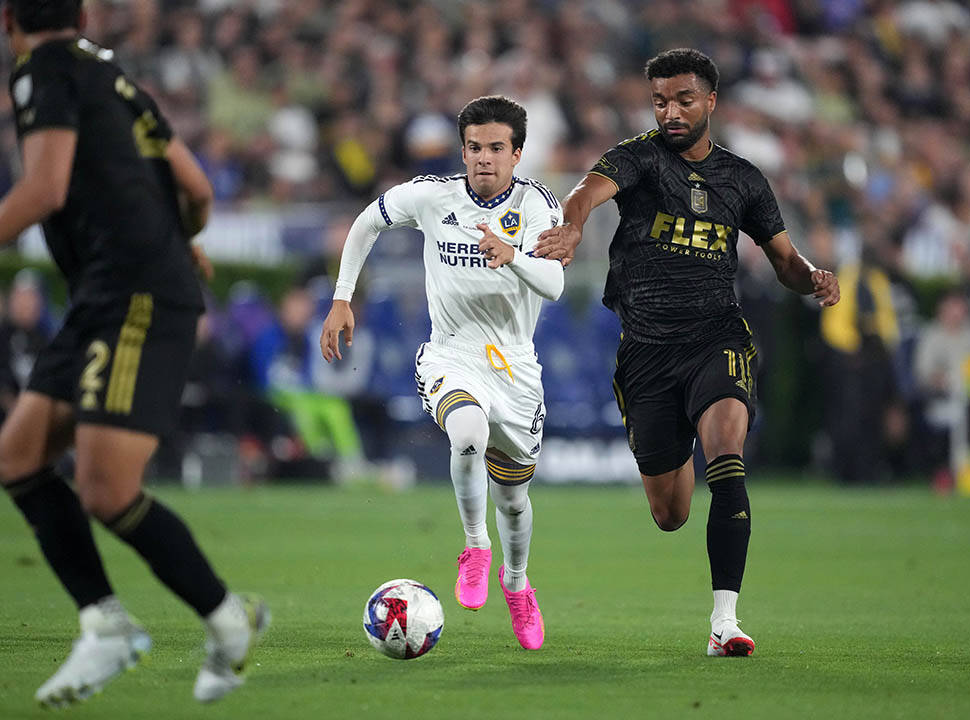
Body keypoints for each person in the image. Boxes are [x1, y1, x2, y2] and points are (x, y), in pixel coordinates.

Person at [0, 1, 267, 707]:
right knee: (18, 457)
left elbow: (44, 187)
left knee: (106, 490)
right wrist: (184, 240)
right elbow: (197, 188)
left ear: (8, 22)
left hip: (134, 296)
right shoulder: (113, 75)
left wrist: (162, 255)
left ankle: (227, 619)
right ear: (84, 13)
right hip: (109, 292)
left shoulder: (42, 70)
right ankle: (105, 623)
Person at [534, 49, 840, 657]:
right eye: (660, 102)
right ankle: (681, 468)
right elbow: (586, 192)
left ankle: (725, 621)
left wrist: (812, 277)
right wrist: (571, 226)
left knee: (727, 453)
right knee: (670, 513)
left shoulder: (743, 179)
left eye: (683, 100)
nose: (670, 112)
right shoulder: (639, 158)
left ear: (711, 102)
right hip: (646, 352)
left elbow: (784, 261)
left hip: (716, 337)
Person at [322, 95, 563, 650]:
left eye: (496, 148)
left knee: (513, 501)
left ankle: (517, 584)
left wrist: (513, 255)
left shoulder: (535, 205)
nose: (484, 158)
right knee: (467, 434)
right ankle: (475, 547)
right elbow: (366, 221)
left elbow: (554, 284)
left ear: (517, 153)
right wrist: (342, 297)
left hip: (515, 367)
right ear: (463, 150)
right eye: (474, 147)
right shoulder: (434, 196)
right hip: (451, 354)